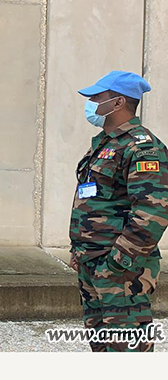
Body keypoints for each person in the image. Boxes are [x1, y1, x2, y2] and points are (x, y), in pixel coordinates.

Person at [70, 70, 168, 352]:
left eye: (96, 98)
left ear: (118, 103)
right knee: (103, 348)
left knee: (127, 350)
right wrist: (80, 252)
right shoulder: (106, 144)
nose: (90, 104)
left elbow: (153, 212)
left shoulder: (142, 148)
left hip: (120, 270)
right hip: (93, 261)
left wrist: (116, 263)